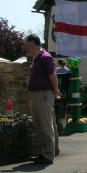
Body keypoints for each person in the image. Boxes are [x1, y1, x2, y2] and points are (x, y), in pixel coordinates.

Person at [25, 34, 60, 165]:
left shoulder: (45, 57)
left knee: (45, 124)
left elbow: (52, 76)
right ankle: (52, 150)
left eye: (26, 44)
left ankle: (47, 155)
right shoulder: (37, 58)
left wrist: (55, 89)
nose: (25, 47)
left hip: (43, 94)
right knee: (46, 123)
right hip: (39, 94)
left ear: (32, 43)